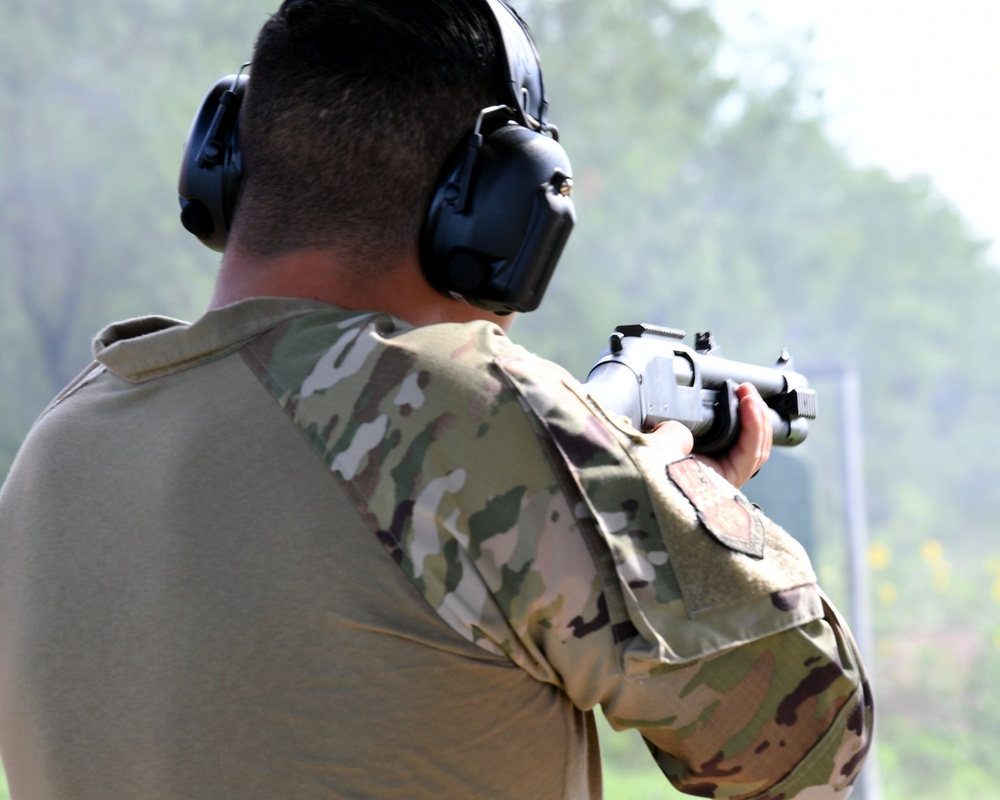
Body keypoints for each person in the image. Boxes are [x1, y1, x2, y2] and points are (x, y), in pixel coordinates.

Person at [0, 1, 872, 798]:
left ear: (223, 163)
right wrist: (702, 498)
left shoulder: (59, 445)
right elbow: (810, 739)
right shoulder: (471, 414)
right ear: (502, 205)